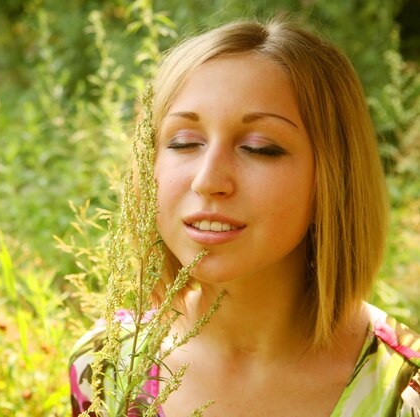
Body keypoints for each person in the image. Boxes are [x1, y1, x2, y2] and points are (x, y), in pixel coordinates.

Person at [69, 18, 420, 416]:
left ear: (334, 178)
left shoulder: (405, 394)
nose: (208, 180)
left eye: (260, 148)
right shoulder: (106, 364)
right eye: (184, 142)